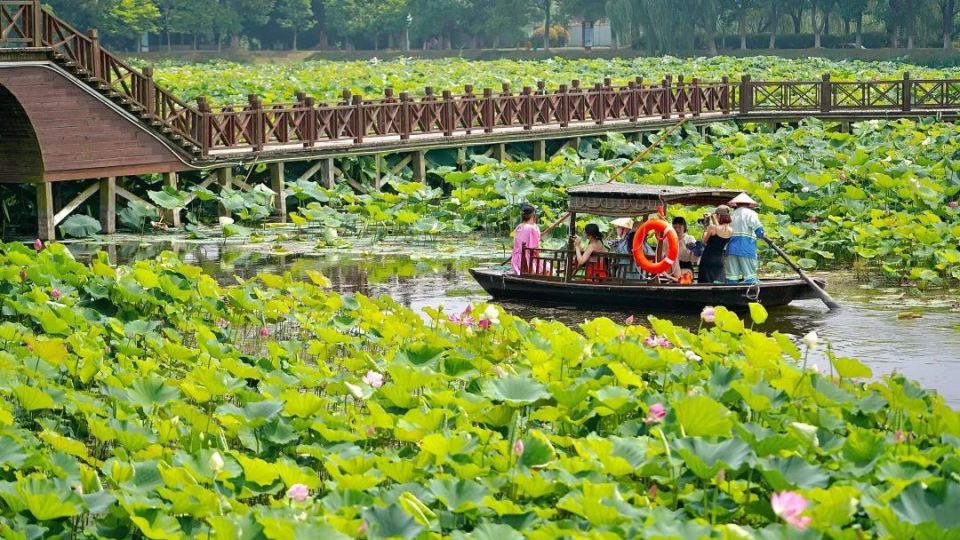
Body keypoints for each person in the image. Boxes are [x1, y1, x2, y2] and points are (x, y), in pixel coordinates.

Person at [725, 194, 764, 284]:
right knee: (750, 275)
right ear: (749, 204)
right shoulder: (751, 213)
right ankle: (753, 293)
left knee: (732, 276)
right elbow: (759, 230)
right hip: (746, 248)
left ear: (737, 204)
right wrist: (762, 235)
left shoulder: (732, 215)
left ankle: (731, 293)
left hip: (731, 249)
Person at [698, 205, 733, 284]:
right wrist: (714, 218)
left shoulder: (712, 228)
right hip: (719, 260)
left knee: (705, 283)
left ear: (719, 215)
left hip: (708, 258)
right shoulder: (731, 230)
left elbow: (704, 241)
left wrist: (706, 229)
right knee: (718, 282)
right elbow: (719, 228)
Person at [510, 203, 540, 275]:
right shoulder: (531, 228)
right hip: (527, 261)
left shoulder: (519, 226)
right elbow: (535, 248)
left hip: (516, 260)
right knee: (549, 269)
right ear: (533, 215)